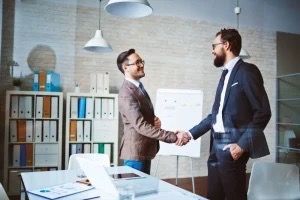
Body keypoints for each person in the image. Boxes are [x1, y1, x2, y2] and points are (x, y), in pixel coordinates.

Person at [180, 28, 271, 200]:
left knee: (234, 195)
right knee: (214, 195)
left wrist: (242, 144)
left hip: (233, 145)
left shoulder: (247, 71)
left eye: (214, 45)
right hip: (217, 144)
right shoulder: (225, 75)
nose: (212, 50)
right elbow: (214, 116)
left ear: (226, 45)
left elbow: (263, 112)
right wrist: (190, 134)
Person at [117, 48, 191, 174]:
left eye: (142, 61)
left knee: (144, 192)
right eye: (137, 62)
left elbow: (141, 117)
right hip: (135, 155)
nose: (141, 65)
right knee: (135, 192)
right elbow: (140, 125)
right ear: (126, 67)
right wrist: (174, 136)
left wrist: (153, 120)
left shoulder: (138, 87)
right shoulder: (126, 93)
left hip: (144, 152)